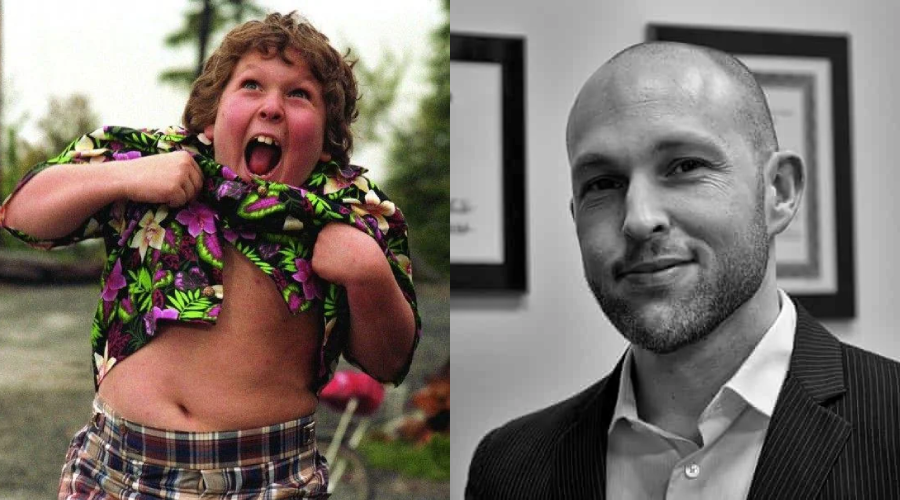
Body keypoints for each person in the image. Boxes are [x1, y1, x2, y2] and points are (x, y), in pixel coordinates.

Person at [0, 11, 420, 499]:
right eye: (251, 86)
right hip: (116, 470)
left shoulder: (353, 211)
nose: (273, 107)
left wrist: (369, 276)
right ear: (210, 113)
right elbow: (21, 214)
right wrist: (123, 177)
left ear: (328, 138)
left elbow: (389, 361)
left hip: (268, 479)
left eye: (299, 94)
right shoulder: (151, 159)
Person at [465, 41, 900, 499]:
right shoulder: (508, 468)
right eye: (603, 183)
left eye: (685, 166)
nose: (637, 219)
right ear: (576, 216)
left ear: (779, 191)